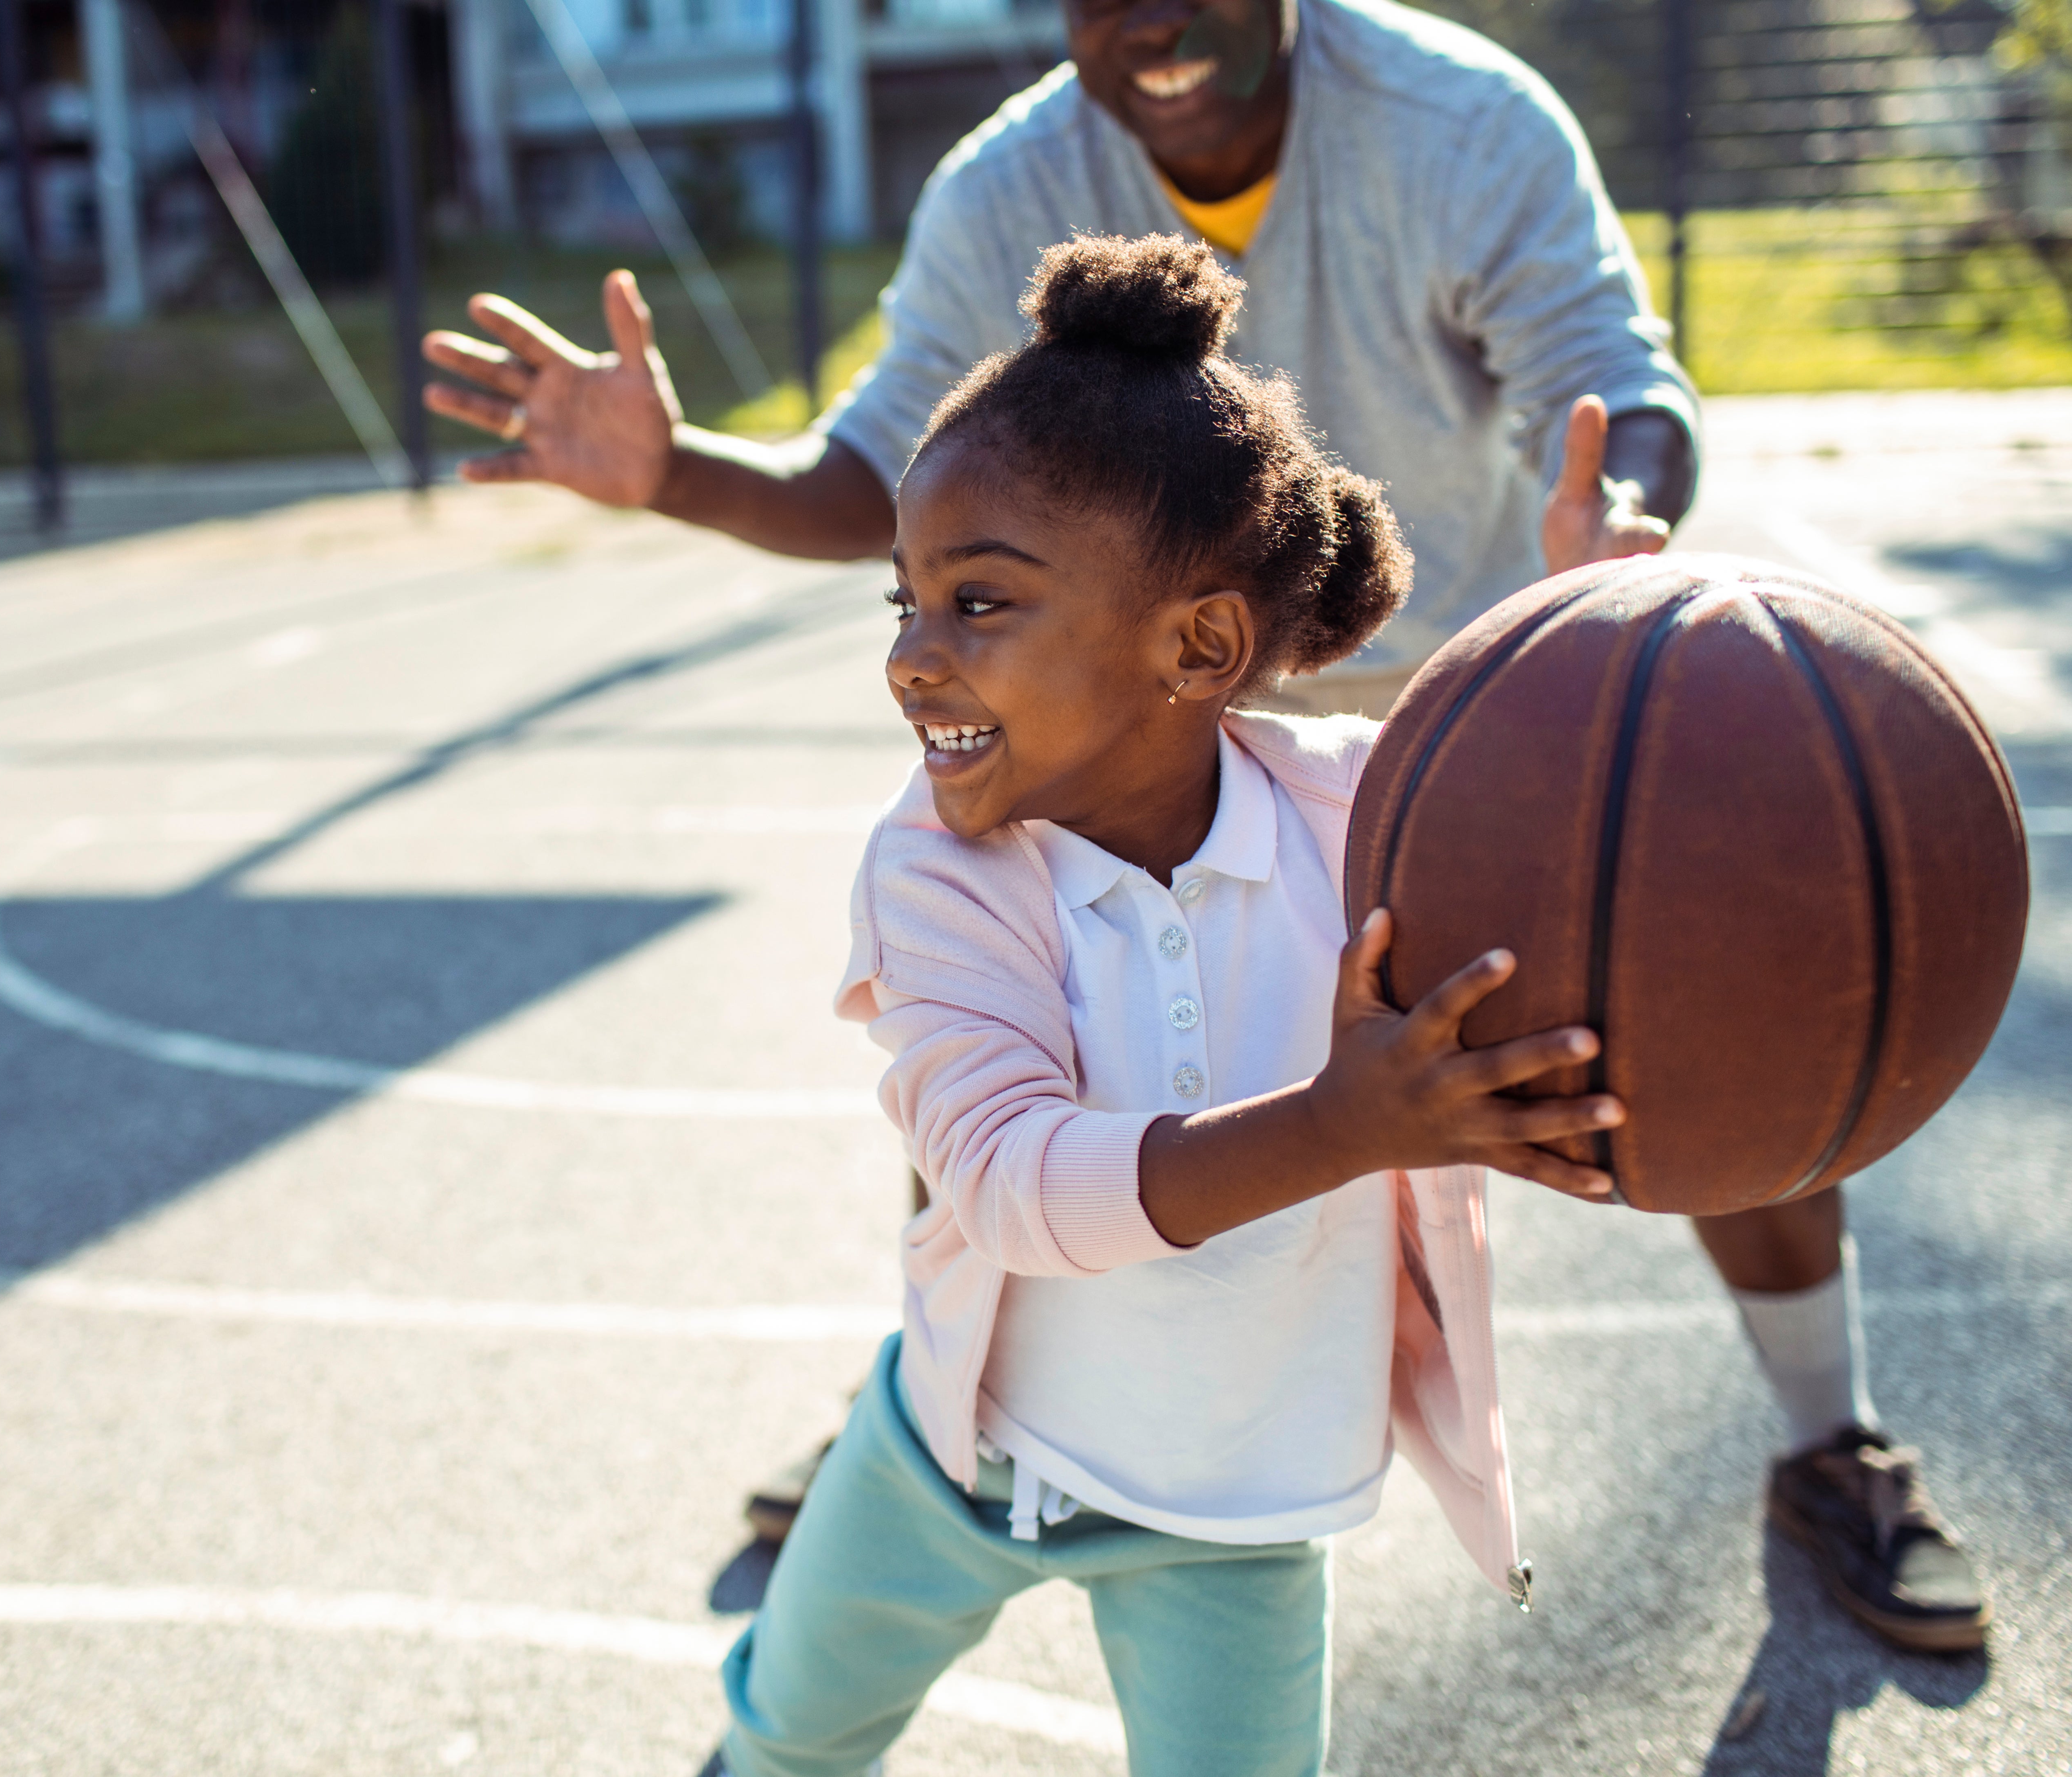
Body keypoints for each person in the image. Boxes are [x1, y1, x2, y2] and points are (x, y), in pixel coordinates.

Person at [425, 0, 1987, 1653]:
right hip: (1128, 711)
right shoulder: (1006, 178)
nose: (1152, 23)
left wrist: (1618, 519)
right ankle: (939, 1412)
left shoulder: (1461, 123)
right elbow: (875, 465)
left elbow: (1611, 380)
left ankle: (1831, 1439)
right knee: (994, 1056)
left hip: (1445, 722)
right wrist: (677, 472)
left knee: (1694, 992)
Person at [706, 231, 1630, 1777]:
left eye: (978, 605)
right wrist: (1343, 1126)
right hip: (960, 1457)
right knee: (788, 1737)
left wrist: (1598, 653)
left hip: (1236, 1507)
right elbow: (1005, 1185)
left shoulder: (1358, 822)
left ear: (1198, 646)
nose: (915, 661)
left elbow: (1554, 833)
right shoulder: (937, 873)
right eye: (906, 604)